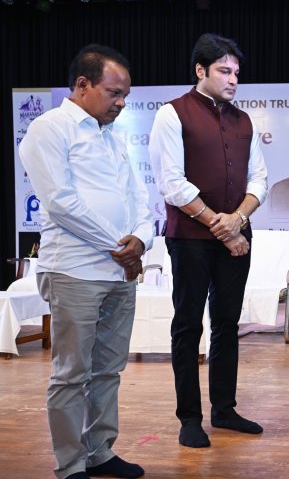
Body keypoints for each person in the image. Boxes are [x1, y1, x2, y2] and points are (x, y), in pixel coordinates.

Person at [20, 44, 152, 479]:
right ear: (82, 85)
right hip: (74, 270)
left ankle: (100, 452)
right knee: (71, 374)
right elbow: (61, 203)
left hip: (119, 271)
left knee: (109, 371)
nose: (121, 103)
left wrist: (141, 239)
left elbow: (138, 198)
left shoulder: (111, 135)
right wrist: (121, 247)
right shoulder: (49, 128)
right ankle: (71, 463)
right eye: (114, 93)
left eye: (125, 95)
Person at [149, 33, 268, 448]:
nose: (233, 79)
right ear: (200, 70)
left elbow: (259, 179)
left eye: (236, 72)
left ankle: (224, 409)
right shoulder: (172, 114)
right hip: (190, 238)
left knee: (227, 325)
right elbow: (171, 183)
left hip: (237, 234)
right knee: (187, 326)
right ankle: (189, 417)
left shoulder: (245, 120)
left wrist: (237, 221)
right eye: (224, 71)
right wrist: (221, 225)